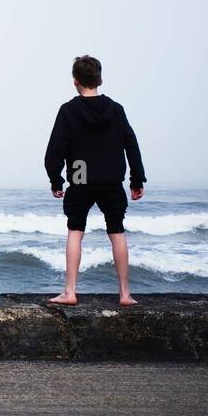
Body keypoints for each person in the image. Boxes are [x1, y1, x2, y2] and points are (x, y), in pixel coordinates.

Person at [43, 54, 147, 306]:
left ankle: (70, 292)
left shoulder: (68, 110)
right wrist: (136, 180)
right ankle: (125, 294)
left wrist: (56, 180)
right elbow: (131, 145)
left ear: (75, 81)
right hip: (111, 177)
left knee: (75, 232)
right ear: (99, 79)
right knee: (117, 232)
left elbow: (55, 149)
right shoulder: (116, 109)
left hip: (81, 176)